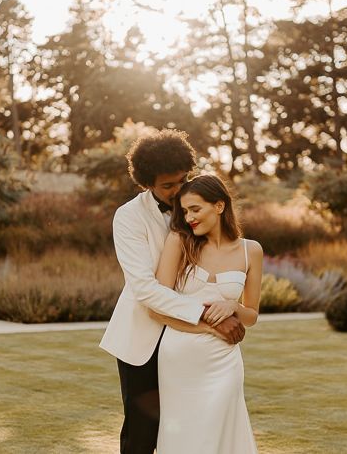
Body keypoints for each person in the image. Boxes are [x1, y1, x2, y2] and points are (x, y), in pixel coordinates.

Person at [99, 130, 245, 454]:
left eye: (183, 180)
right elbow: (145, 289)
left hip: (191, 345)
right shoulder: (128, 218)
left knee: (191, 427)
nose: (179, 191)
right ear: (146, 183)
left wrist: (229, 303)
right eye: (168, 186)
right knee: (142, 432)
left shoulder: (200, 210)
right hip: (144, 342)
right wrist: (207, 316)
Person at [149, 174, 263, 454]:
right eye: (185, 211)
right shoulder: (179, 241)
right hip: (180, 355)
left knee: (219, 433)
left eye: (195, 209)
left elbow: (251, 316)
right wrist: (211, 327)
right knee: (185, 436)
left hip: (224, 359)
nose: (188, 217)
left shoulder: (252, 251)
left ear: (220, 206)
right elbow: (157, 309)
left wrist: (234, 307)